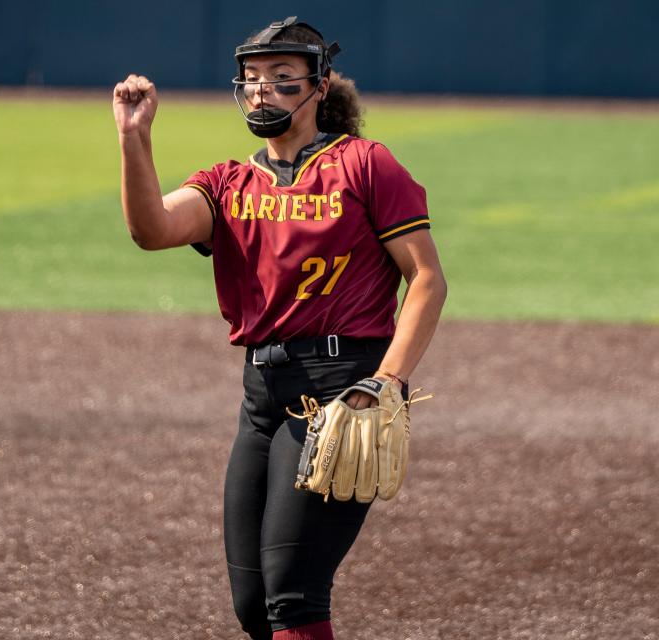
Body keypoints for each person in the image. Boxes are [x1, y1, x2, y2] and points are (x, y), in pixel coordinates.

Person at [113, 16, 447, 640]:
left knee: (293, 596)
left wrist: (386, 382)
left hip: (340, 389)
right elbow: (151, 230)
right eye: (253, 79)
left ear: (319, 88)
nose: (263, 89)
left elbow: (426, 279)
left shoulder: (365, 165)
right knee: (252, 601)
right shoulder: (227, 183)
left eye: (282, 78)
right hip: (261, 401)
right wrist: (135, 140)